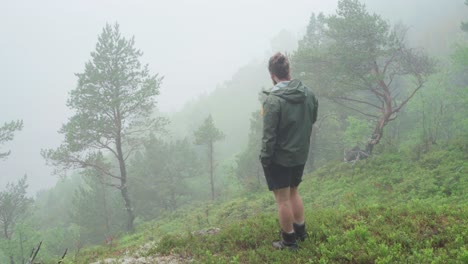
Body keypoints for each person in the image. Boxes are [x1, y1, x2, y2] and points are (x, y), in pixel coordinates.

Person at [260, 52, 318, 250]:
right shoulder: (308, 93)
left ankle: (289, 241)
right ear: (289, 70)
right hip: (300, 154)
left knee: (282, 199)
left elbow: (269, 135)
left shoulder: (273, 100)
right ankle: (300, 232)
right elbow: (313, 118)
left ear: (272, 74)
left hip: (280, 158)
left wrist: (265, 158)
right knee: (294, 191)